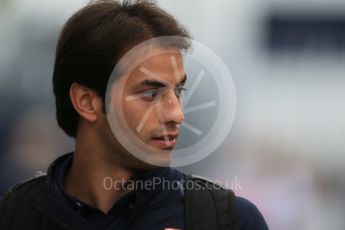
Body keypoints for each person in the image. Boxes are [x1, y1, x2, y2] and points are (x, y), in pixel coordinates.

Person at [0, 0, 269, 229]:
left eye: (178, 91)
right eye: (151, 94)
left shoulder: (228, 221)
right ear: (86, 102)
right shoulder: (14, 216)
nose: (177, 114)